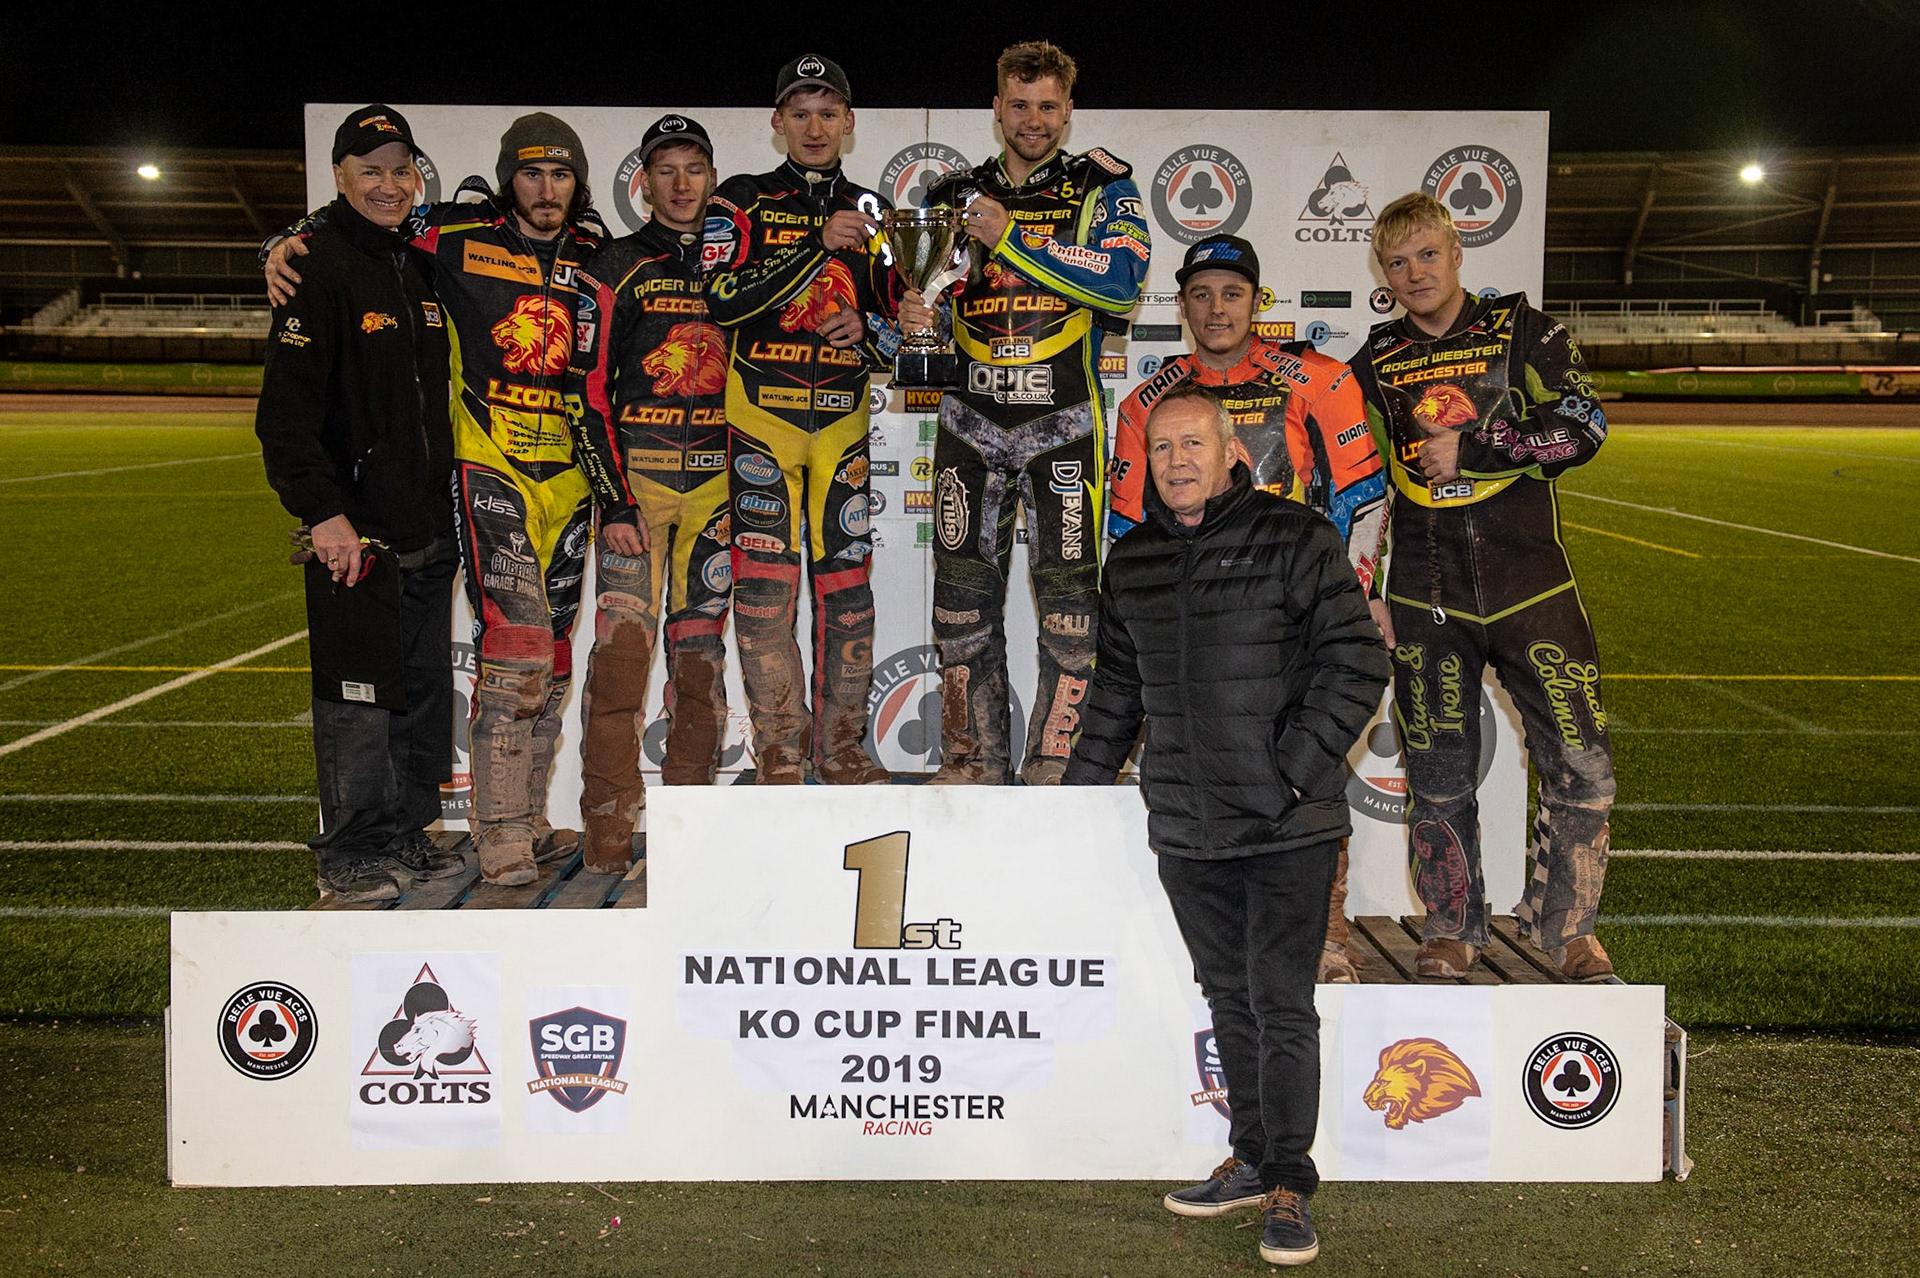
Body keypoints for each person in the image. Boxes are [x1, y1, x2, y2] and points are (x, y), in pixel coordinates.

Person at [1065, 386, 1388, 1267]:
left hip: (1287, 828)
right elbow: (1116, 697)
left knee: (1282, 1004)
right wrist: (1072, 793)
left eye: (1192, 444)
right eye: (1162, 447)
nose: (1176, 461)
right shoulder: (1128, 560)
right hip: (1187, 829)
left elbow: (1358, 662)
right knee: (1228, 999)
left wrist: (1291, 776)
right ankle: (1248, 1159)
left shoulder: (1296, 537)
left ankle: (1290, 1181)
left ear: (1232, 450)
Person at [267, 113, 606, 886]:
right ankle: (449, 838)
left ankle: (462, 824)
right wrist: (281, 242)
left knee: (489, 674)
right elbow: (286, 409)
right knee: (469, 668)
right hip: (434, 493)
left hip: (510, 498)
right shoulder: (430, 241)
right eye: (529, 172)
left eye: (560, 174)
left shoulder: (590, 256)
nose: (546, 188)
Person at [1110, 234, 1390, 983]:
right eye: (1200, 294)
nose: (1216, 308)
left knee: (1308, 761)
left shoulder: (1319, 380)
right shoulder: (1148, 401)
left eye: (1232, 293)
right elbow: (1130, 525)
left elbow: (1362, 498)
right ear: (1183, 306)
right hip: (1212, 616)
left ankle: (1326, 930)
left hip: (1300, 604)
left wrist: (1357, 596)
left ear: (1256, 302)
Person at [1351, 193, 1616, 981]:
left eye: (1426, 255)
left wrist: (1479, 447)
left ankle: (1567, 930)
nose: (1414, 274)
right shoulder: (1373, 361)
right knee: (1435, 766)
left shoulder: (1524, 332)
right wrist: (1367, 589)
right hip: (1428, 591)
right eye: (1396, 263)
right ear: (1383, 274)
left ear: (1457, 249)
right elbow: (1361, 486)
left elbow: (1585, 426)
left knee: (1580, 757)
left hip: (1532, 581)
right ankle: (1450, 927)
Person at [895, 40, 1148, 786]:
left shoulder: (1103, 187)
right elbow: (928, 302)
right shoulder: (953, 194)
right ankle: (972, 763)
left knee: (1072, 614)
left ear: (1068, 111)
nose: (1032, 120)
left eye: (1047, 107)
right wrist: (915, 318)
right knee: (959, 608)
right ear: (997, 108)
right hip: (970, 426)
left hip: (1061, 425)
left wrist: (1012, 237)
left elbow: (1124, 282)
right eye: (1019, 105)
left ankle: (1053, 772)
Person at [255, 106, 464, 902]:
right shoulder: (317, 265)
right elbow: (284, 419)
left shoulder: (419, 266)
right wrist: (325, 514)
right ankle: (346, 853)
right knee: (355, 704)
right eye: (368, 170)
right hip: (355, 533)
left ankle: (407, 834)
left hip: (424, 527)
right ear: (339, 177)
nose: (387, 184)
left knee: (415, 696)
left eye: (399, 169)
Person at [701, 54, 895, 785]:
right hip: (761, 420)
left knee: (849, 589)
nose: (815, 127)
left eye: (828, 112)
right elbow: (720, 299)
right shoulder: (740, 199)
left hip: (842, 424)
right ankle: (781, 750)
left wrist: (867, 329)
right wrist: (813, 246)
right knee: (763, 591)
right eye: (800, 112)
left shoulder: (875, 210)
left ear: (849, 123)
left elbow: (901, 329)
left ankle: (842, 750)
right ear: (778, 124)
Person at [565, 115, 729, 873]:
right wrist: (616, 501)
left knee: (699, 663)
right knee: (622, 664)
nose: (681, 183)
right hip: (639, 493)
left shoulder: (742, 262)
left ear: (712, 176)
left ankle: (689, 831)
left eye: (694, 167)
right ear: (643, 181)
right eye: (665, 169)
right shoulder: (615, 263)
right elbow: (587, 392)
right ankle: (606, 830)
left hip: (718, 495)